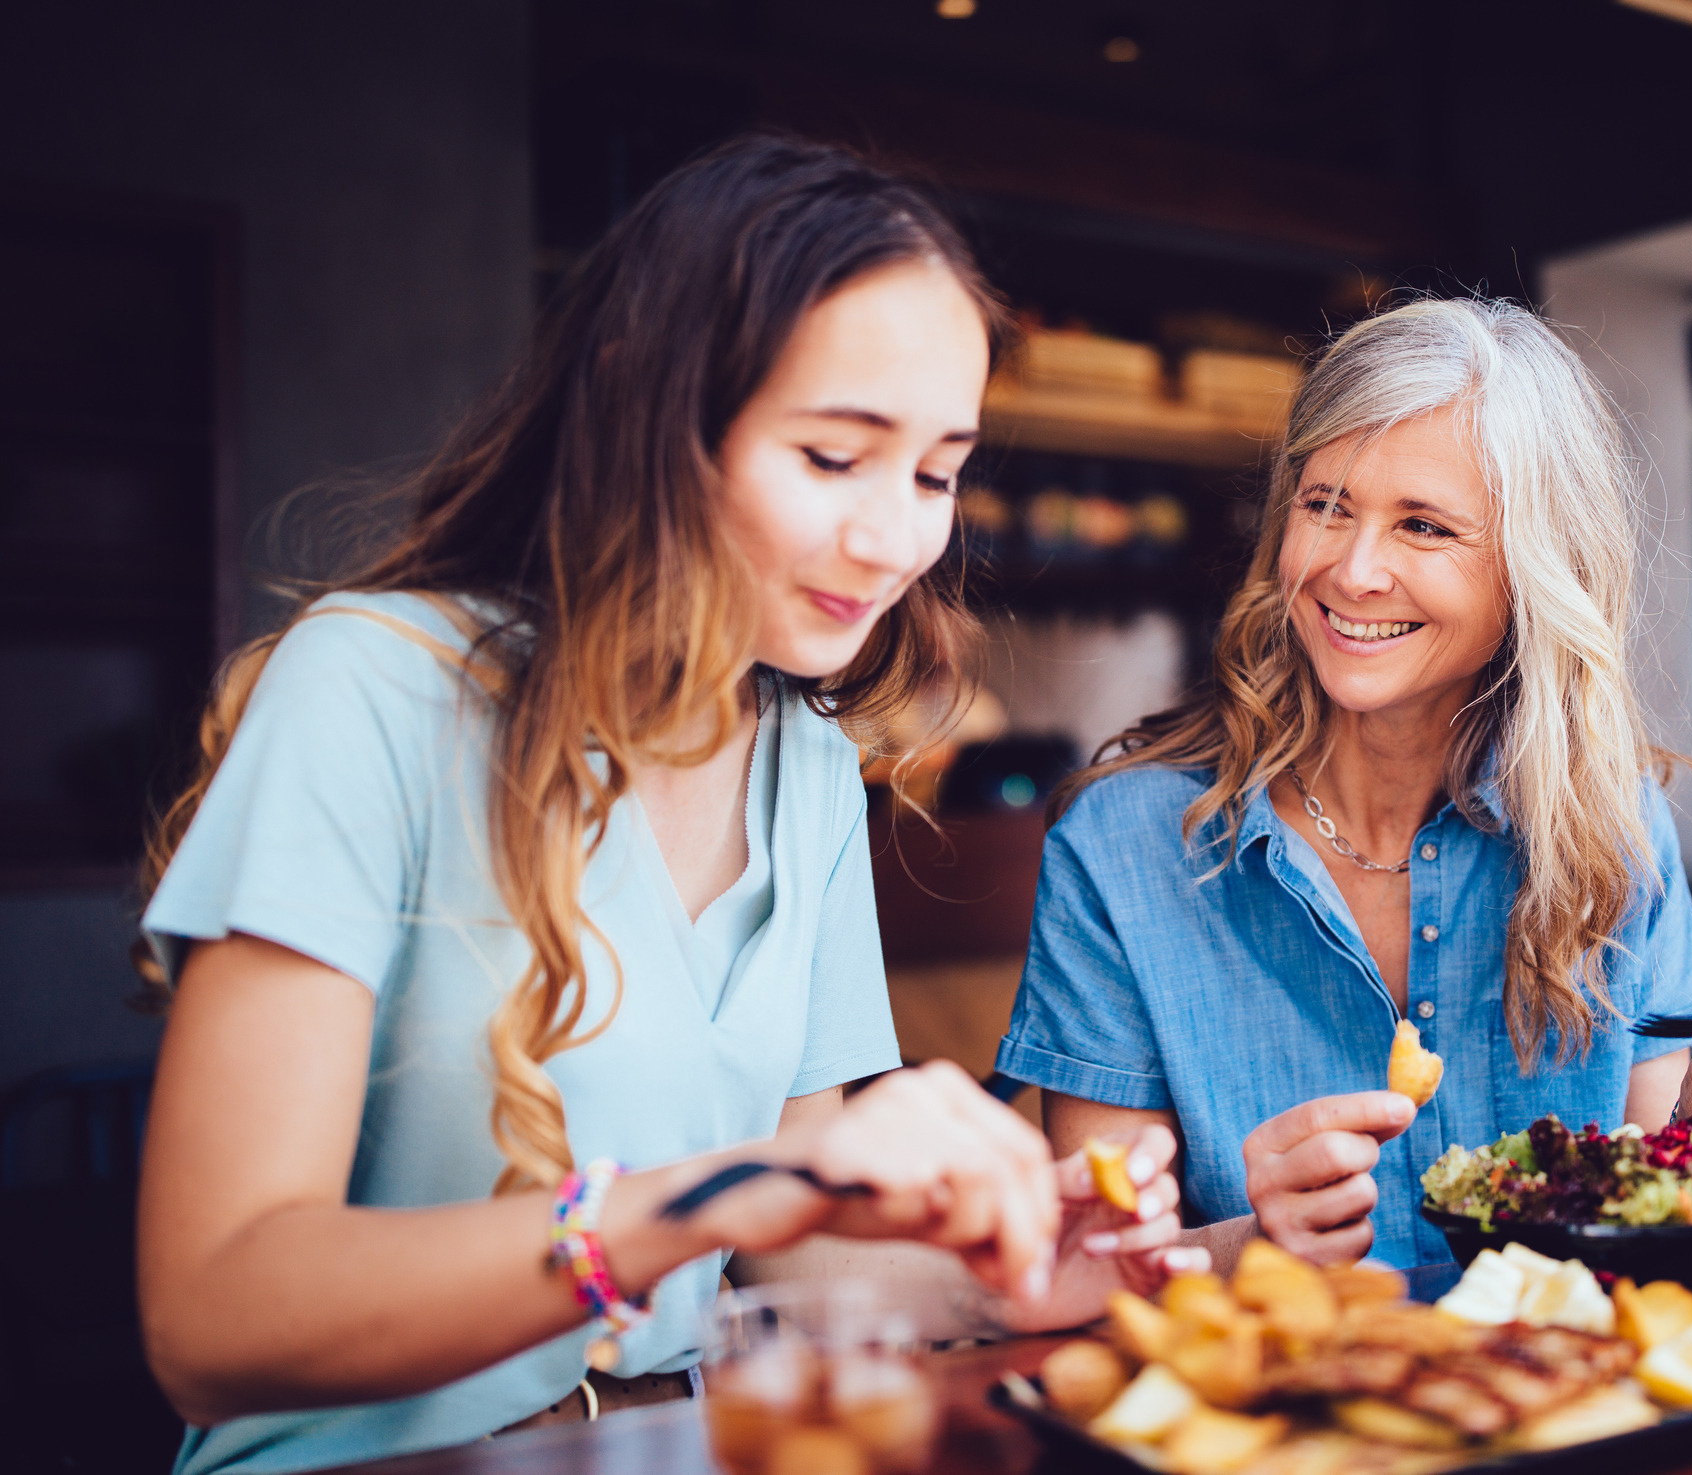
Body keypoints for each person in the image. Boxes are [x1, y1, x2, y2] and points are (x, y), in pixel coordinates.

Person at [135, 136, 1198, 1475]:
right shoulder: (372, 690)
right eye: (831, 456)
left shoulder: (803, 756)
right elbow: (213, 1313)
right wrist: (690, 1201)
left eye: (934, 473)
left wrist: (1001, 1267)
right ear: (652, 410)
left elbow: (792, 1217)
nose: (895, 537)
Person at [994, 298, 1692, 1272]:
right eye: (1324, 502)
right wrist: (1254, 1242)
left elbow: (1647, 1223)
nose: (1352, 568)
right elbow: (1085, 1267)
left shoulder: (1609, 827)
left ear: (1531, 570)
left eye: (1422, 525)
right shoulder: (1119, 846)